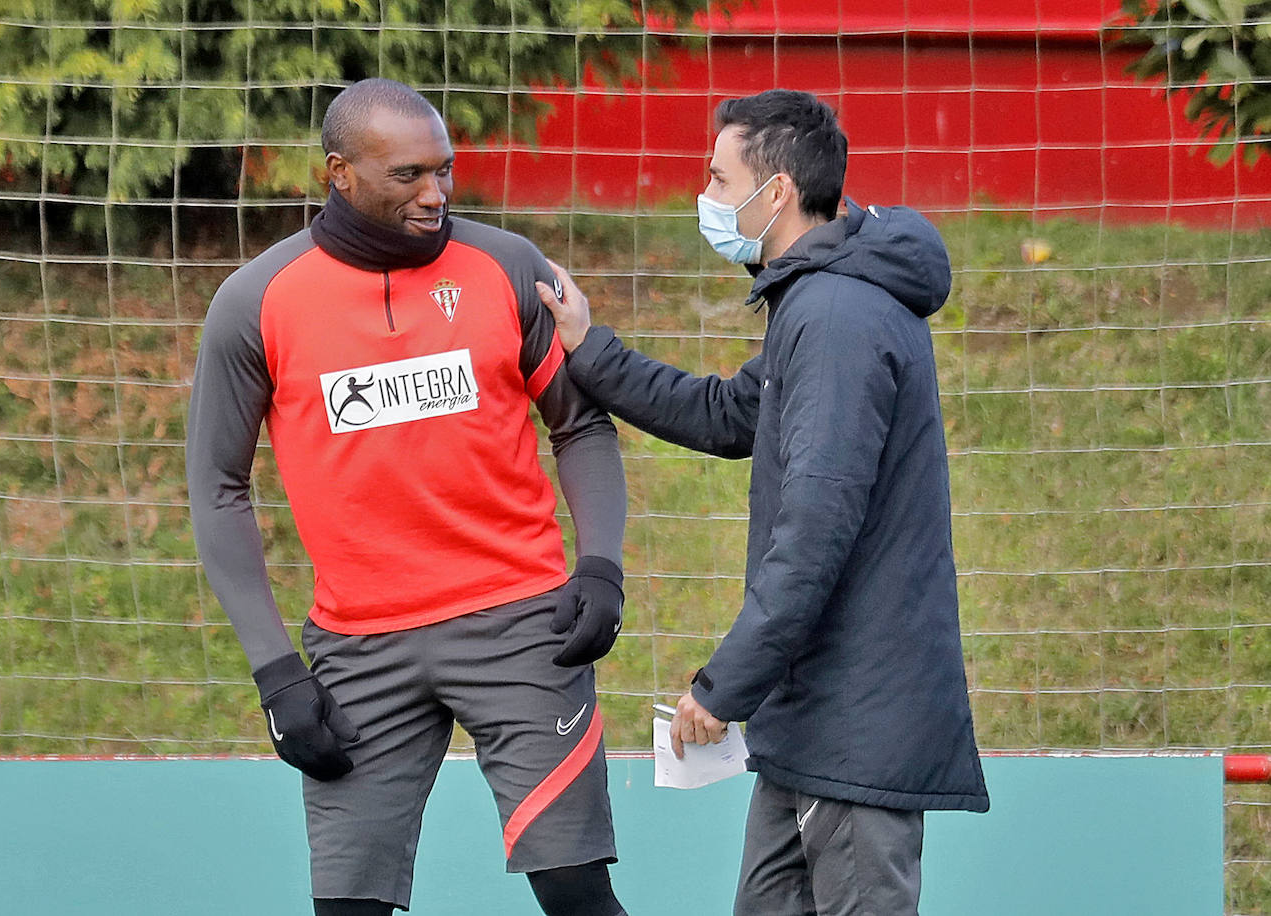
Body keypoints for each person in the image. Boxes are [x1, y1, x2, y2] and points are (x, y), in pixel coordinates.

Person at [536, 89, 989, 916]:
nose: (704, 198)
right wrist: (588, 349)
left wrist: (722, 686)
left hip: (855, 725)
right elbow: (727, 413)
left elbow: (814, 534)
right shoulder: (816, 300)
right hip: (809, 727)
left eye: (717, 178)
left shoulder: (838, 316)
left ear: (774, 192)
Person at [187, 78, 631, 916]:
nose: (435, 194)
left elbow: (581, 427)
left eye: (446, 170)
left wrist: (600, 568)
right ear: (340, 173)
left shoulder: (507, 268)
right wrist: (278, 673)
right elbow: (216, 490)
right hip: (359, 652)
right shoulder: (255, 303)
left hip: (521, 629)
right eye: (408, 176)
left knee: (578, 896)